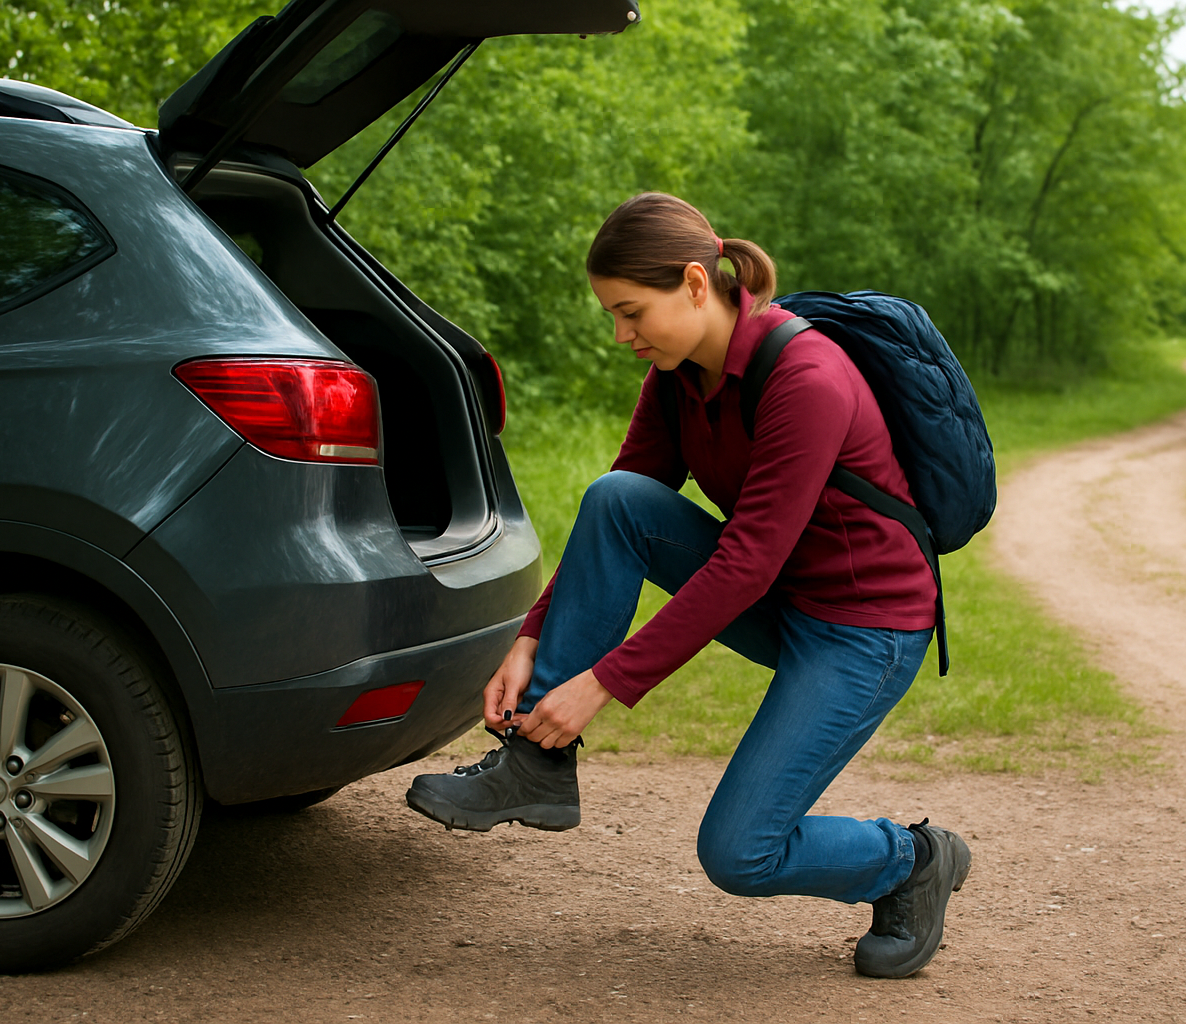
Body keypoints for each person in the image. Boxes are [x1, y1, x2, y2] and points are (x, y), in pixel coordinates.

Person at [407, 192, 970, 978]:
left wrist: (601, 684)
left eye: (631, 312)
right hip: (784, 598)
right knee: (617, 499)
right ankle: (536, 766)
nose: (622, 335)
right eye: (614, 315)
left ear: (697, 284)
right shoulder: (678, 374)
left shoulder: (806, 377)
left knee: (740, 852)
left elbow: (746, 563)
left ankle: (911, 861)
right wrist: (533, 633)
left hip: (864, 630)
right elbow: (620, 511)